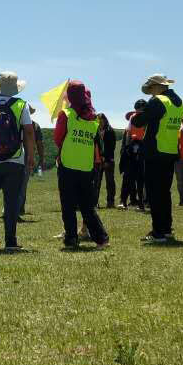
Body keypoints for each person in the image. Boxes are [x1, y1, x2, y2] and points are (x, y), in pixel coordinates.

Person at [0, 71, 36, 252]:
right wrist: (30, 157)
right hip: (14, 160)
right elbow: (29, 131)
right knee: (10, 202)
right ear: (15, 88)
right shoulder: (21, 105)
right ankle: (10, 241)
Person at [53, 82, 110, 249]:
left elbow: (57, 138)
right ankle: (101, 238)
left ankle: (71, 239)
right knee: (87, 205)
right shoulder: (94, 118)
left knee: (68, 205)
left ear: (70, 96)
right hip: (86, 166)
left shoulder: (66, 114)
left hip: (68, 164)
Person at [131, 73, 183, 243]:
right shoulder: (178, 103)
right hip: (170, 151)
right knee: (164, 192)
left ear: (158, 87)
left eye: (152, 88)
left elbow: (138, 122)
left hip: (155, 152)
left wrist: (140, 112)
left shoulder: (158, 101)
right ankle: (166, 229)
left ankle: (158, 233)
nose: (151, 92)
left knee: (154, 193)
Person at [119, 102, 147, 209]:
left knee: (140, 179)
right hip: (131, 150)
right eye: (138, 109)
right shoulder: (132, 118)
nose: (139, 111)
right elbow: (129, 133)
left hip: (142, 150)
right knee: (127, 177)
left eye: (141, 109)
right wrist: (127, 149)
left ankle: (141, 203)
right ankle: (123, 201)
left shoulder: (147, 119)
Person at [18, 106, 44, 218]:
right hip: (28, 156)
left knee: (14, 183)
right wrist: (41, 158)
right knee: (23, 183)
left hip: (15, 156)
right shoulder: (35, 125)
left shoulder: (16, 123)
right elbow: (39, 144)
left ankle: (15, 208)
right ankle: (19, 208)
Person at [96, 113, 117, 207]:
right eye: (98, 120)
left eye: (101, 119)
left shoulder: (110, 131)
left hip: (108, 160)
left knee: (110, 182)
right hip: (98, 160)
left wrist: (106, 158)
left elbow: (112, 146)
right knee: (96, 182)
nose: (100, 121)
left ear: (105, 120)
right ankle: (94, 202)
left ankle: (110, 202)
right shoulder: (95, 131)